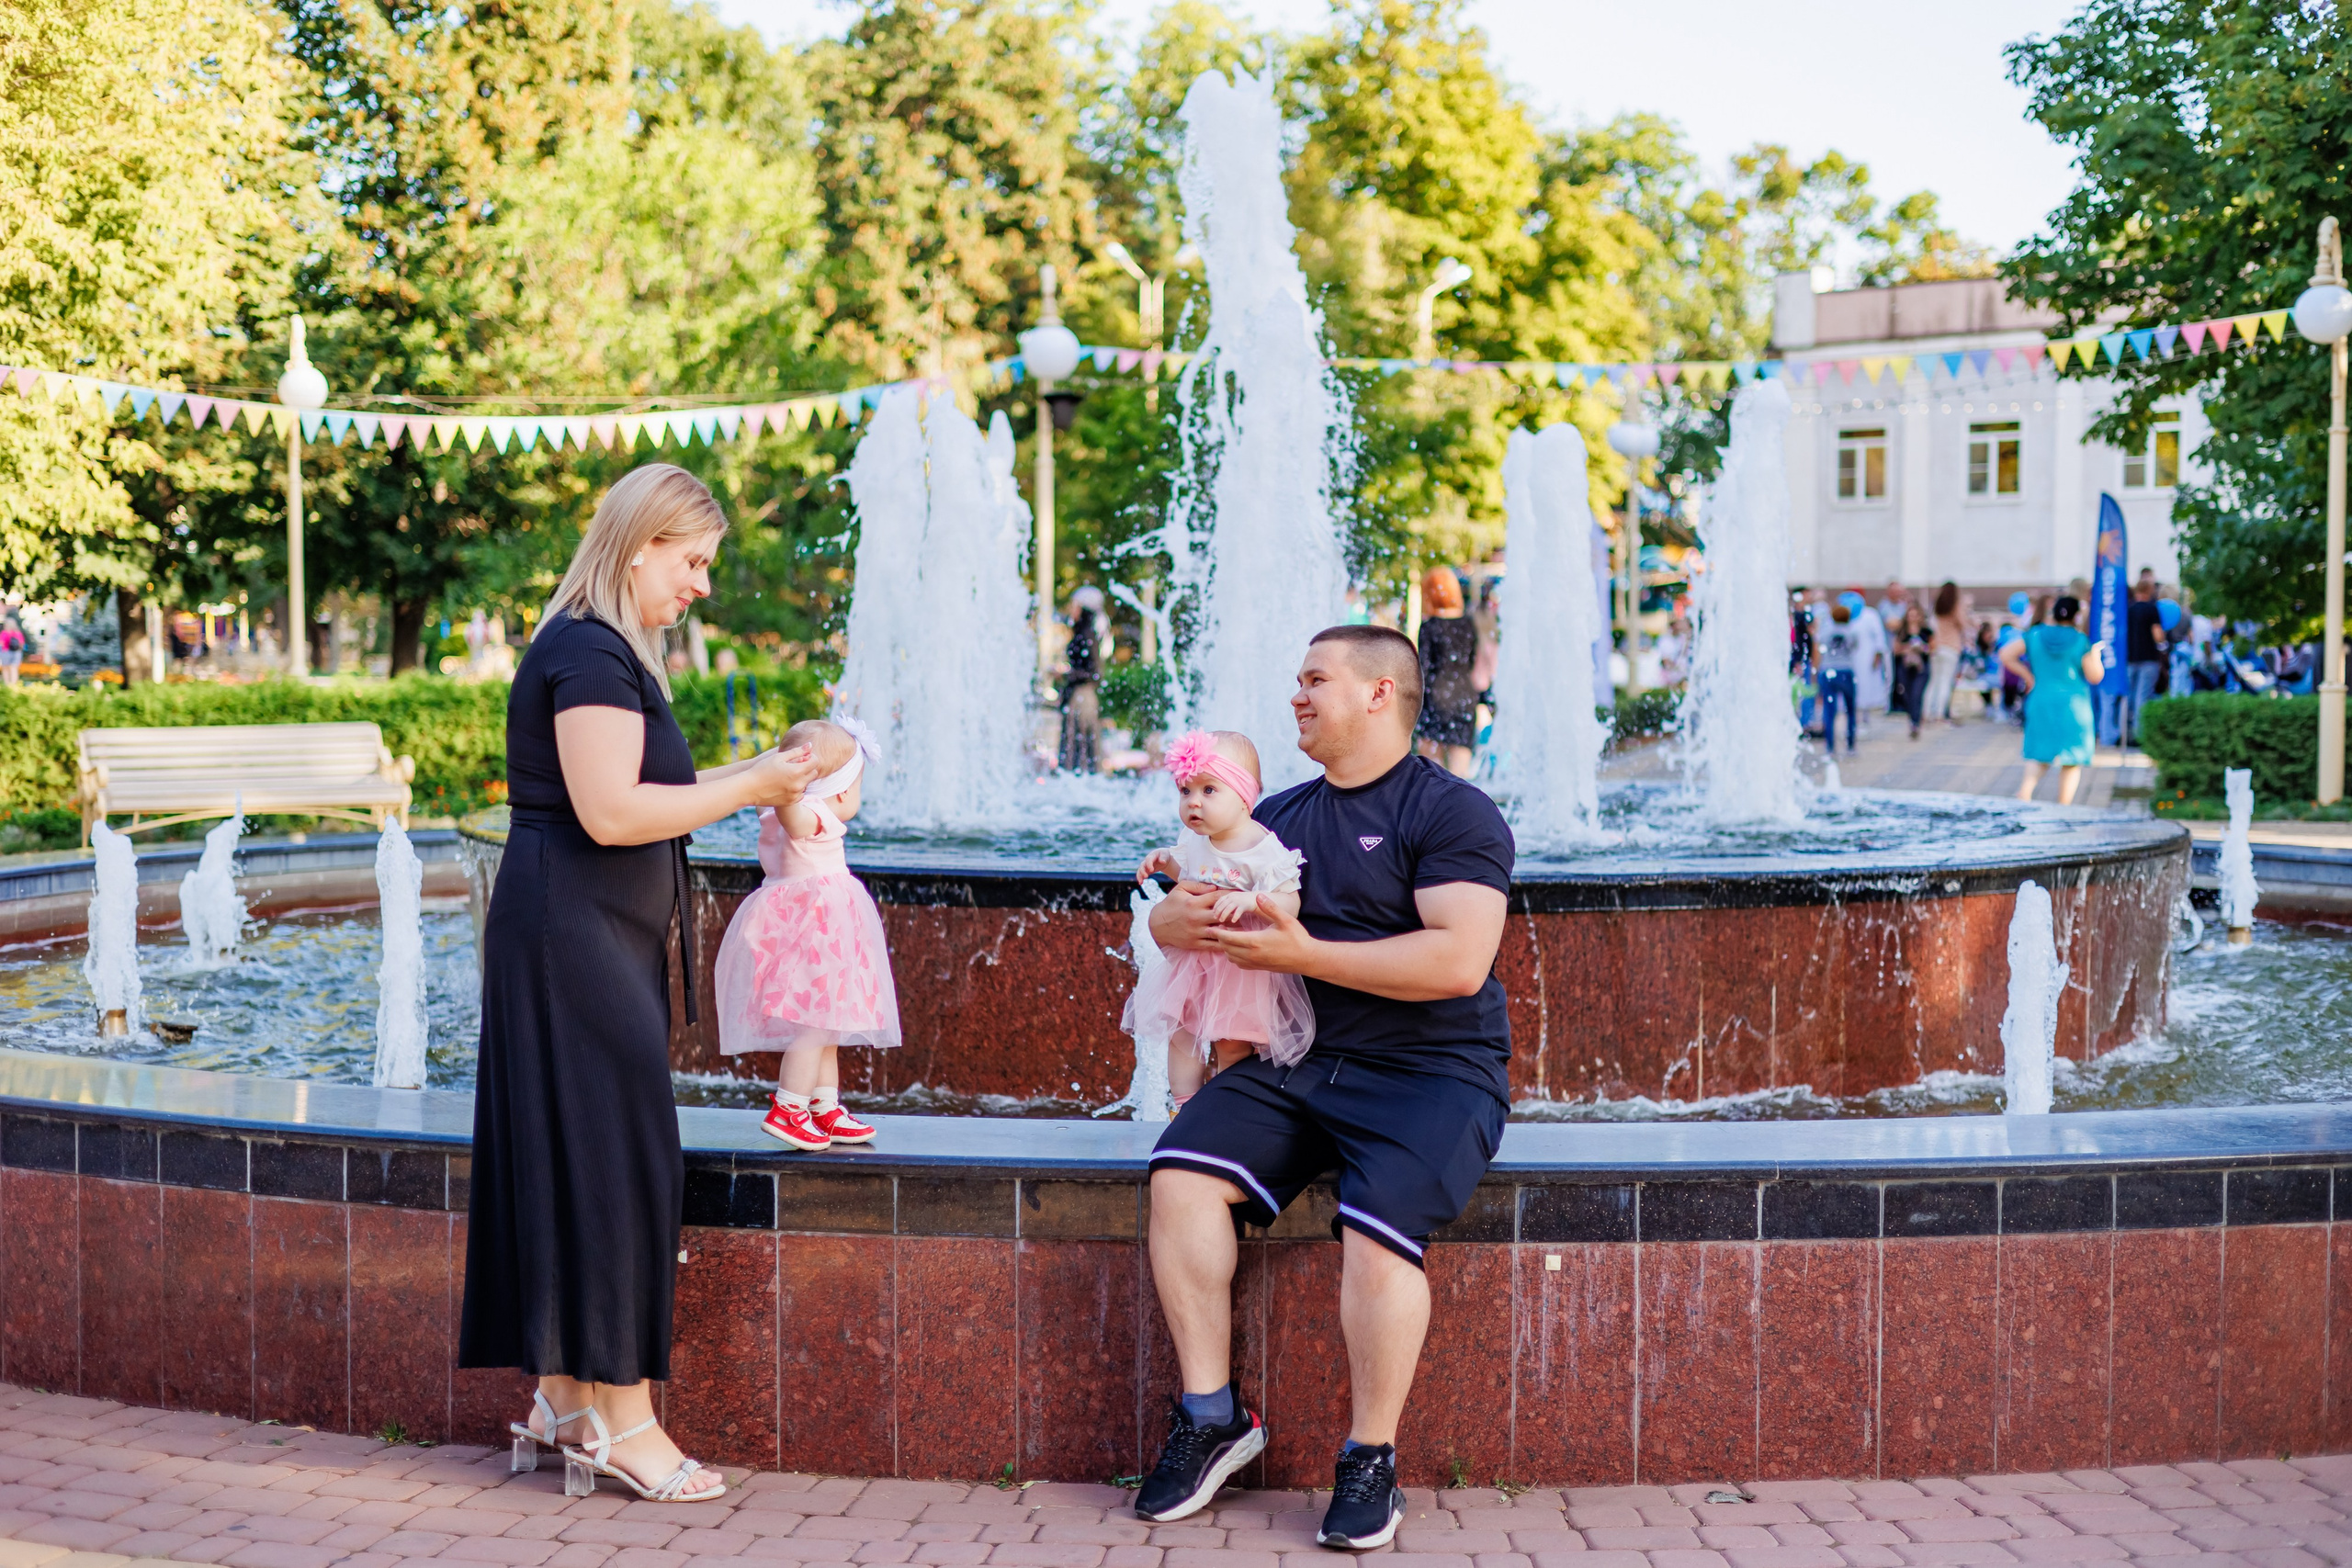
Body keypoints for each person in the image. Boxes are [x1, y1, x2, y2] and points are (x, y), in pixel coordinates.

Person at [461, 464, 820, 1504]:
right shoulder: (588, 651)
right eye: (692, 561)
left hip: (584, 933)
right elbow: (612, 811)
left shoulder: (605, 650)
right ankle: (626, 1421)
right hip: (567, 936)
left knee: (579, 1156)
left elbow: (643, 796)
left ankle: (564, 1402)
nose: (701, 584)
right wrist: (751, 784)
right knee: (620, 1165)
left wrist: (759, 779)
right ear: (638, 547)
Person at [1136, 625, 1512, 1550]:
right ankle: (1212, 1416)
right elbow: (1181, 920)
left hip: (1431, 1071)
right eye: (1296, 679)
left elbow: (1458, 961)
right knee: (1180, 1175)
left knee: (1377, 1238)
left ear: (1379, 693)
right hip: (1299, 1058)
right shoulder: (1276, 818)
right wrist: (1172, 922)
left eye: (1315, 679)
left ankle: (1369, 1458)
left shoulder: (1454, 813)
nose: (1296, 695)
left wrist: (1304, 953)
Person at [712, 717, 901, 1151]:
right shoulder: (811, 813)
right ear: (841, 791)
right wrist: (789, 790)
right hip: (816, 930)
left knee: (827, 1023)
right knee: (815, 1026)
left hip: (808, 926)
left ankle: (823, 1106)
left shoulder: (777, 810)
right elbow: (797, 822)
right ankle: (789, 1107)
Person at [1125, 730, 1314, 1110]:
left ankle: (1226, 1108)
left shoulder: (1262, 848)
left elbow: (1290, 903)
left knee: (1232, 1043)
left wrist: (1251, 900)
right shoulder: (1194, 839)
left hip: (1239, 968)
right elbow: (1190, 876)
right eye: (1185, 791)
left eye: (1209, 790)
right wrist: (1166, 862)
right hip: (1194, 964)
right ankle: (1184, 1105)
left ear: (1243, 797)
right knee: (1182, 1033)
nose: (1193, 802)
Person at [2002, 593, 2106, 806]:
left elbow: (2006, 654)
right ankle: (2063, 806)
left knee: (2039, 753)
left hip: (2041, 700)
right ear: (2076, 615)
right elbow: (2095, 676)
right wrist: (2096, 655)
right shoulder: (2081, 640)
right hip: (2074, 705)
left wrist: (2028, 677)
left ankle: (2024, 793)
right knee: (2072, 760)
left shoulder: (2035, 634)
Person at [1414, 566, 1482, 777]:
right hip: (1463, 700)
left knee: (1432, 775)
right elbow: (1472, 662)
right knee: (1459, 776)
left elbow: (1423, 669)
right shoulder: (1468, 624)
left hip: (1434, 700)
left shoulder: (1429, 627)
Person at [1058, 587, 1108, 773]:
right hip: (1079, 697)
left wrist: (1067, 673)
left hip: (1082, 698)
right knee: (1079, 747)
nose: (1072, 609)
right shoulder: (1083, 633)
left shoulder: (1087, 635)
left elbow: (1095, 673)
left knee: (1080, 748)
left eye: (1075, 605)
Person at [1814, 601, 1861, 754]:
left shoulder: (1825, 631)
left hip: (1828, 670)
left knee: (1829, 710)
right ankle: (1851, 745)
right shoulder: (1852, 631)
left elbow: (1819, 649)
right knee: (1850, 710)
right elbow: (1855, 647)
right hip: (1846, 671)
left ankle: (1830, 746)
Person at [1926, 582, 1971, 724]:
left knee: (1933, 681)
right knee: (1945, 681)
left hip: (1937, 647)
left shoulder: (1937, 605)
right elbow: (1963, 624)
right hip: (1951, 646)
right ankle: (1939, 714)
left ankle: (1927, 712)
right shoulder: (1955, 605)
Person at [1892, 604, 1932, 739]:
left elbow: (1933, 647)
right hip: (1905, 666)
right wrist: (1907, 648)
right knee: (1907, 695)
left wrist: (1923, 648)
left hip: (1921, 667)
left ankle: (1916, 722)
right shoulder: (1902, 631)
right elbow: (1895, 649)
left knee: (1917, 694)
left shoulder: (1926, 631)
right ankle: (1912, 719)